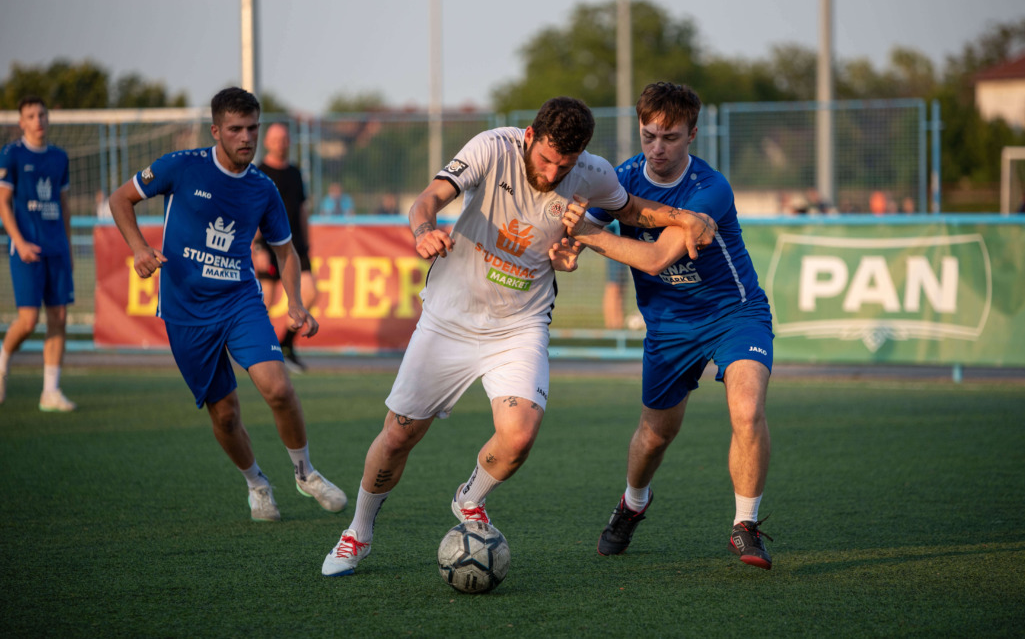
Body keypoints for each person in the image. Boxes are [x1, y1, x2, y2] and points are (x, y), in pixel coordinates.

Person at [320, 96, 716, 577]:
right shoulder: (492, 147)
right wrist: (423, 229)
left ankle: (469, 499)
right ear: (530, 136)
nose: (551, 173)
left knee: (520, 435)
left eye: (563, 165)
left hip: (519, 325)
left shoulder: (592, 173)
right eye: (545, 159)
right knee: (400, 433)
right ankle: (358, 532)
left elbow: (631, 209)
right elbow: (429, 198)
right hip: (449, 318)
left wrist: (682, 217)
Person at [562, 82, 776, 570]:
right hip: (668, 326)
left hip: (734, 314)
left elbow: (657, 258)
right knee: (655, 435)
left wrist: (588, 235)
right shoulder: (620, 178)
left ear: (692, 135)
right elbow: (575, 234)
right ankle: (633, 503)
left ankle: (745, 524)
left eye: (671, 137)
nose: (657, 148)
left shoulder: (710, 188)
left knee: (747, 411)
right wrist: (566, 249)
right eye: (649, 136)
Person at [108, 87, 347, 522]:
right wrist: (140, 248)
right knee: (225, 414)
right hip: (185, 311)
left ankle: (305, 473)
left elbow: (285, 251)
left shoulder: (263, 188)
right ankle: (257, 484)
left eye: (252, 128)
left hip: (240, 301)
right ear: (216, 131)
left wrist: (295, 302)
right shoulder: (180, 166)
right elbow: (120, 198)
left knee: (279, 388)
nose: (246, 137)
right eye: (236, 129)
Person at [0, 96, 78, 412]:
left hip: (56, 249)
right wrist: (18, 241)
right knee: (29, 321)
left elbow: (64, 205)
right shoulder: (12, 154)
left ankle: (50, 391)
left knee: (59, 318)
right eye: (31, 116)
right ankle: (2, 360)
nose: (38, 120)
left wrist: (68, 247)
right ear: (21, 122)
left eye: (42, 114)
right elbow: (3, 203)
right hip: (27, 250)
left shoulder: (59, 157)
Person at [253, 123, 316, 373]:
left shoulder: (295, 172)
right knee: (265, 301)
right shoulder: (259, 172)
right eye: (276, 139)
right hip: (269, 245)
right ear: (267, 142)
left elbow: (302, 209)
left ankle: (286, 346)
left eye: (284, 139)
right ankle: (257, 351)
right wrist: (258, 247)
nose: (281, 143)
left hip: (295, 247)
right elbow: (252, 212)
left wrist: (307, 244)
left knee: (309, 293)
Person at [602, 223, 629, 329]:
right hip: (616, 248)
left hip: (628, 249)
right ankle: (613, 325)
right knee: (614, 287)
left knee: (621, 287)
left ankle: (618, 325)